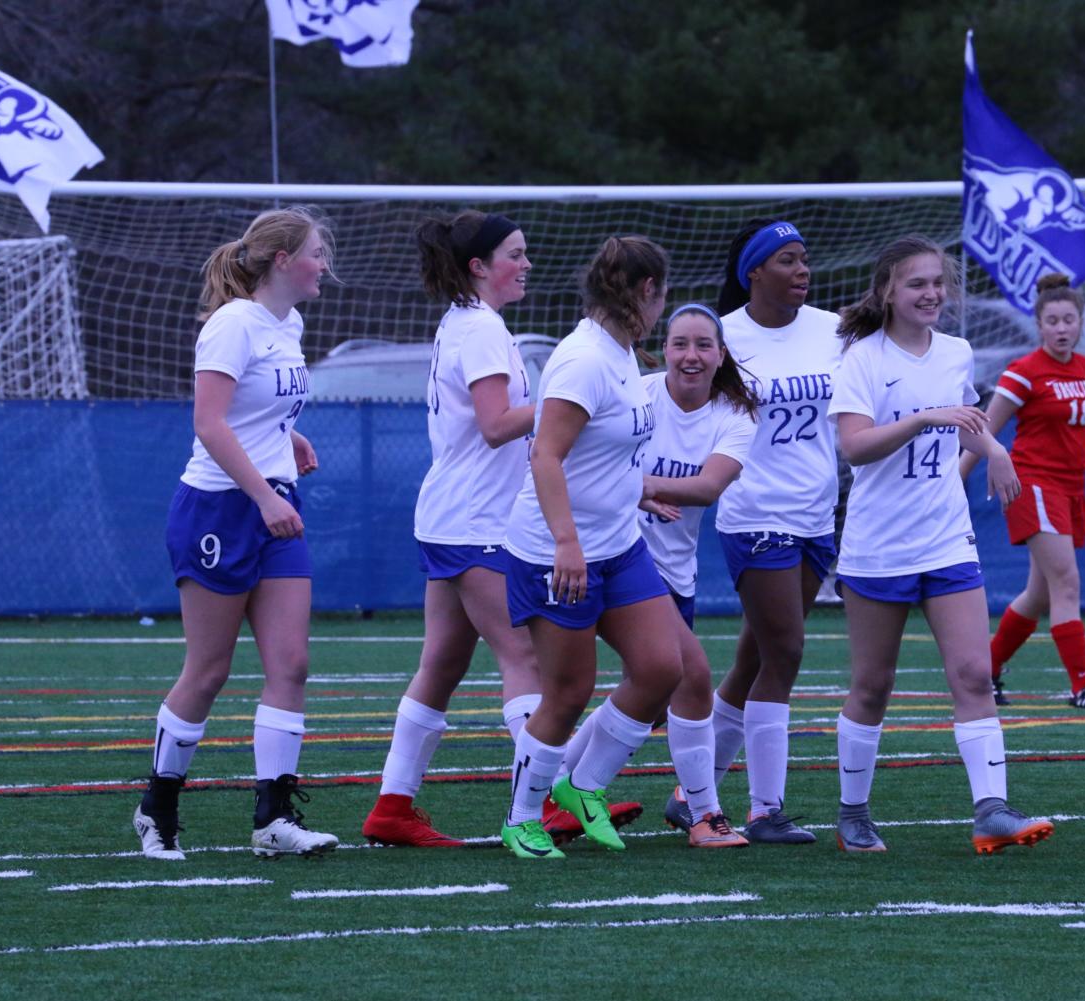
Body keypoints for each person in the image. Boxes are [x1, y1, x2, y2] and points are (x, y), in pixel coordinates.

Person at [828, 234, 1054, 854]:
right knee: (872, 686)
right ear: (888, 292)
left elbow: (969, 422)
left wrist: (998, 451)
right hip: (878, 547)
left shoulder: (956, 350)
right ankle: (852, 813)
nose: (931, 294)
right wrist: (924, 418)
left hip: (947, 540)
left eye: (937, 283)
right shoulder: (862, 360)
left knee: (974, 673)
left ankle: (992, 812)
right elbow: (855, 446)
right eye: (916, 284)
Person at [134, 206, 340, 860]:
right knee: (209, 668)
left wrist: (290, 435)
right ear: (281, 260)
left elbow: (258, 411)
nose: (322, 265)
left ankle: (273, 817)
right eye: (314, 253)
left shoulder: (290, 323)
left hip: (275, 502)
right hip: (220, 509)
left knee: (292, 663)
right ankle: (157, 806)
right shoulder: (232, 324)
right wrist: (260, 491)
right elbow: (210, 422)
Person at [360, 211, 544, 847]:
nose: (525, 264)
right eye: (514, 255)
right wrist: (569, 401)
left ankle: (391, 807)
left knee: (441, 663)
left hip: (452, 514)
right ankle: (542, 802)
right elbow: (497, 425)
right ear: (478, 266)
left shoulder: (468, 323)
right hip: (474, 520)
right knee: (523, 655)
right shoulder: (483, 328)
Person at [498, 235, 684, 860]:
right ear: (645, 293)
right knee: (568, 692)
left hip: (618, 543)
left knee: (662, 667)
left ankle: (585, 786)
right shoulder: (585, 360)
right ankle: (523, 816)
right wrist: (567, 541)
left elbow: (603, 452)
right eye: (662, 294)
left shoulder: (623, 351)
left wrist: (634, 492)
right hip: (557, 550)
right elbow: (544, 454)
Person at [710, 219, 843, 844]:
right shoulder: (723, 338)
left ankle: (694, 792)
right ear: (754, 272)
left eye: (805, 260)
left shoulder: (833, 328)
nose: (802, 271)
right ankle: (765, 809)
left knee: (755, 656)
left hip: (817, 512)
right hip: (754, 510)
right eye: (788, 260)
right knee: (786, 651)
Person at [630, 304, 757, 848]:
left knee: (643, 699)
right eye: (680, 343)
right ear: (665, 350)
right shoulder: (636, 394)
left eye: (704, 345)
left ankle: (559, 790)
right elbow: (580, 461)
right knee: (694, 675)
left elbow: (707, 488)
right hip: (616, 557)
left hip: (675, 574)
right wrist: (631, 491)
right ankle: (704, 814)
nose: (691, 355)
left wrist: (641, 485)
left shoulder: (735, 414)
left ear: (720, 354)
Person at [959, 274, 1085, 709]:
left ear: (1081, 323)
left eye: (1069, 319)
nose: (1062, 328)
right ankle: (1083, 687)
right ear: (1040, 325)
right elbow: (986, 429)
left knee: (1041, 593)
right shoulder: (1024, 372)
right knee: (1067, 582)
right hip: (1032, 483)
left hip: (1070, 486)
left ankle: (986, 671)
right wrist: (957, 478)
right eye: (1053, 321)